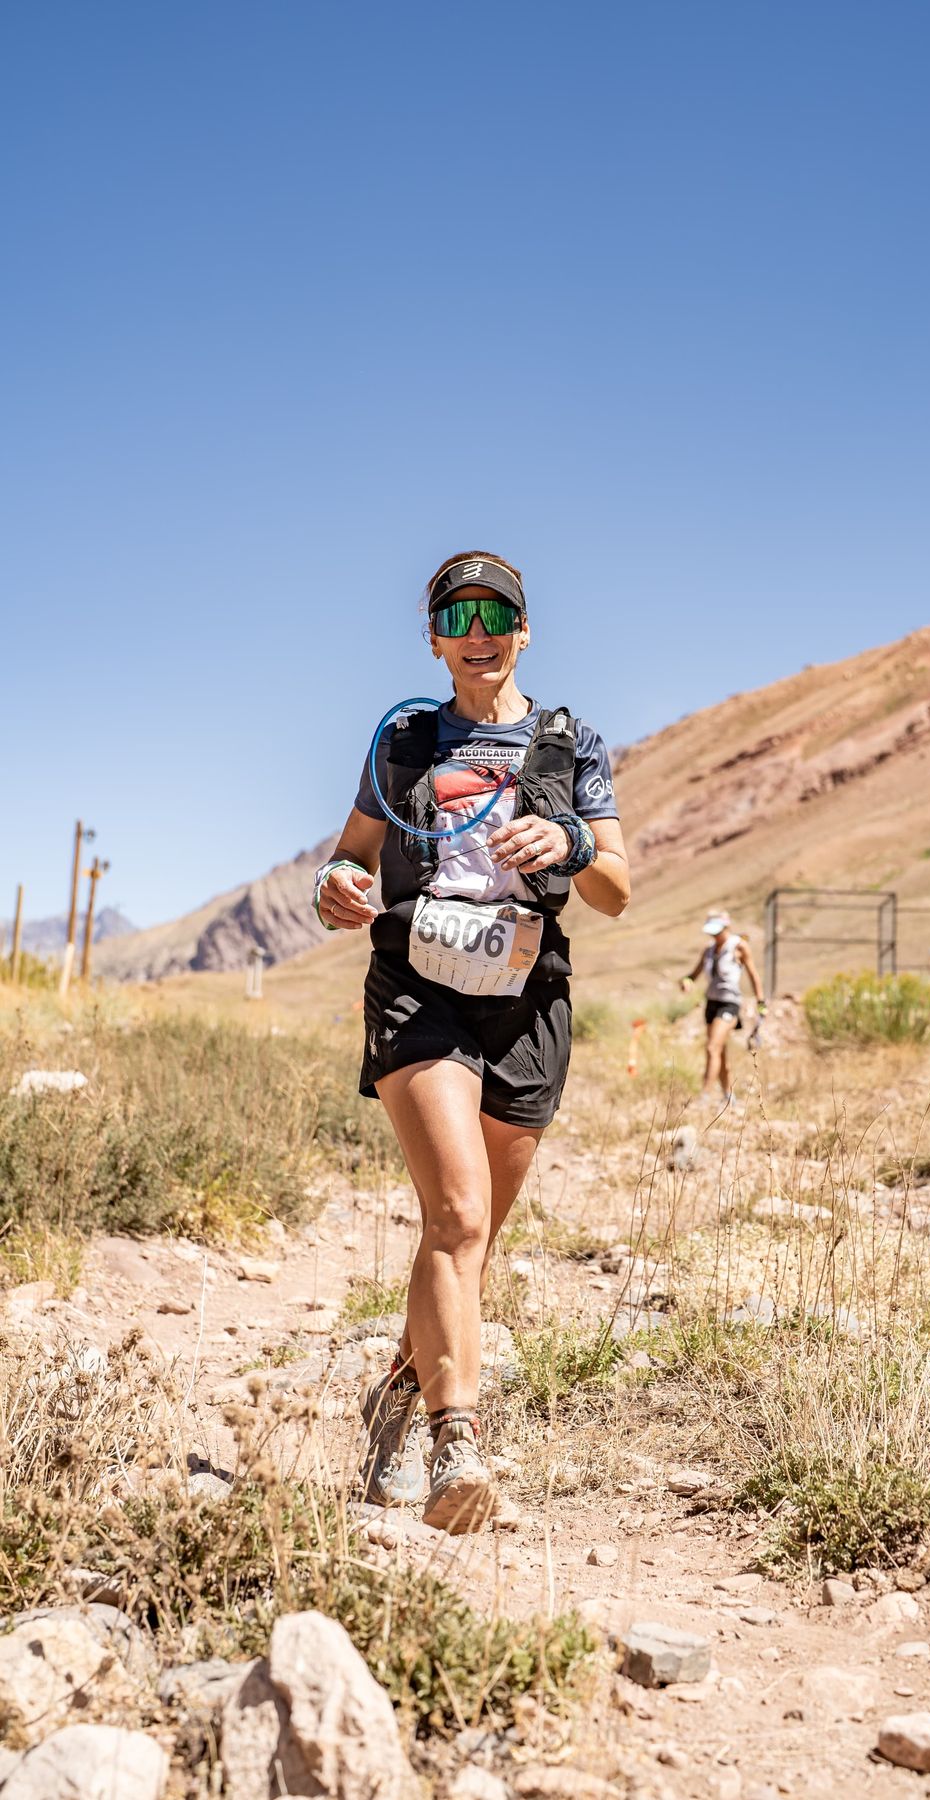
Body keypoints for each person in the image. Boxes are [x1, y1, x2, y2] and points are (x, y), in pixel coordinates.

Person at [313, 551, 629, 1533]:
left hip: (527, 1000)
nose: (478, 632)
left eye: (496, 615)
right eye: (457, 618)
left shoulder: (570, 743)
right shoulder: (405, 742)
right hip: (419, 990)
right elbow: (350, 857)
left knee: (470, 1237)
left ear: (524, 631)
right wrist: (336, 887)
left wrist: (573, 842)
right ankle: (458, 1443)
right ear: (435, 641)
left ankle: (397, 1395)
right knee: (456, 1212)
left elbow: (618, 890)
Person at [680, 911, 765, 1104]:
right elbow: (694, 974)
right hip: (711, 1003)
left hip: (729, 1003)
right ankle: (729, 1095)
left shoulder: (739, 946)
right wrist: (686, 981)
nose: (714, 936)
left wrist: (761, 1002)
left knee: (712, 1048)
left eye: (717, 931)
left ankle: (704, 1096)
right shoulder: (709, 950)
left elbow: (753, 975)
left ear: (726, 927)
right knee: (719, 1051)